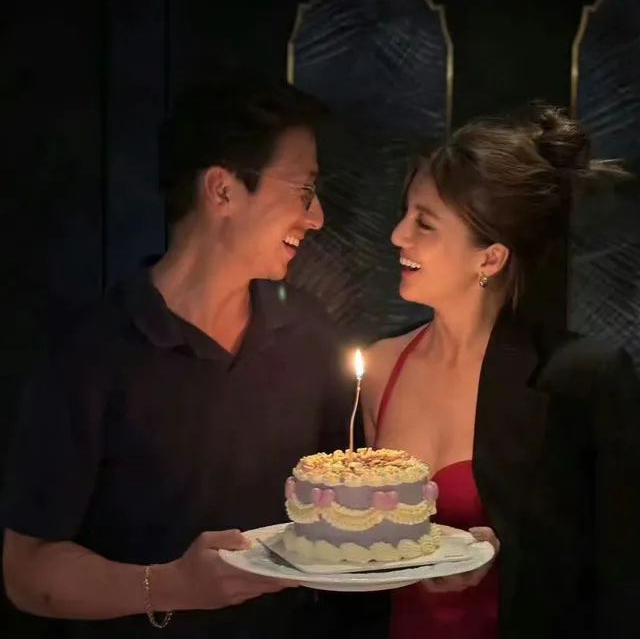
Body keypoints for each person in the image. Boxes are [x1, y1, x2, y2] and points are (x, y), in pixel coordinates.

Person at [1, 73, 364, 639]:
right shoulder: (90, 354)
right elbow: (27, 573)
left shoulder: (308, 331)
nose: (316, 217)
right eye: (303, 189)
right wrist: (173, 585)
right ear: (222, 190)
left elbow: (350, 502)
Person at [362, 106, 640, 639]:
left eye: (424, 223)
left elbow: (618, 574)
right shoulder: (378, 367)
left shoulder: (580, 378)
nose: (398, 235)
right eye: (405, 213)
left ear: (489, 259)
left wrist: (504, 553)